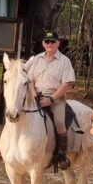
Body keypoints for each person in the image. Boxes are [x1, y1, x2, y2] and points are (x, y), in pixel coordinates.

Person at [25, 30, 75, 170]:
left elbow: (66, 85)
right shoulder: (36, 60)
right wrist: (34, 94)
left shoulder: (65, 61)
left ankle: (60, 155)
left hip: (55, 99)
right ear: (43, 44)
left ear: (58, 43)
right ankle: (6, 149)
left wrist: (51, 99)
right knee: (17, 112)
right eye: (47, 41)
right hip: (35, 97)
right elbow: (29, 81)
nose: (50, 44)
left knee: (59, 122)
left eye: (53, 41)